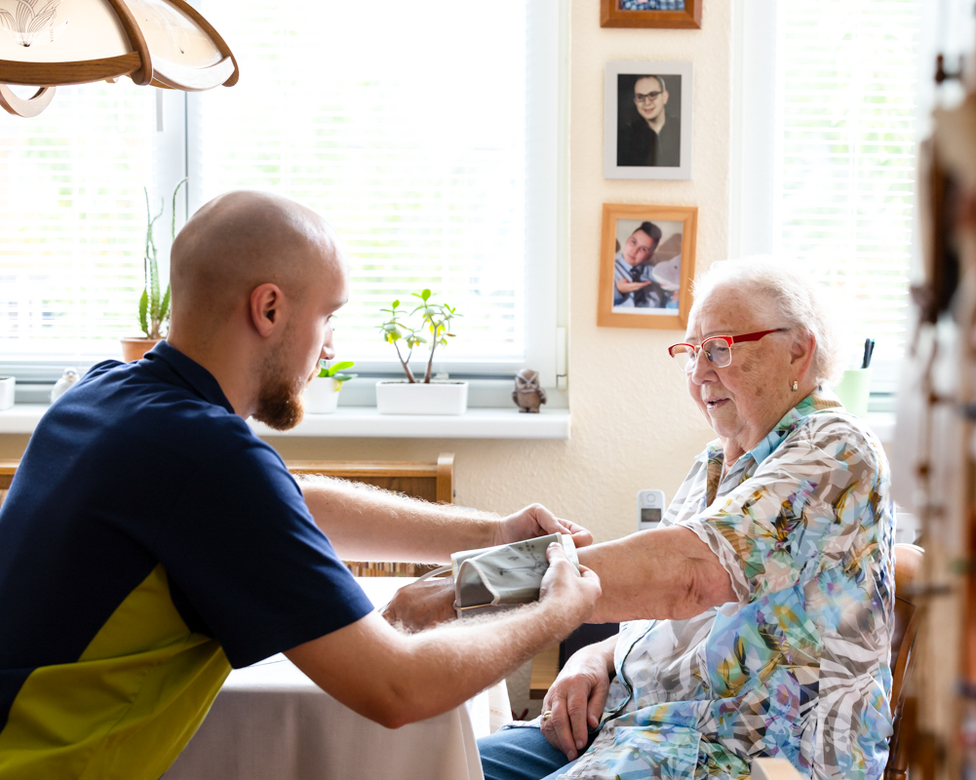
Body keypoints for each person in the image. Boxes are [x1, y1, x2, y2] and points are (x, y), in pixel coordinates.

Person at [0, 191, 600, 780]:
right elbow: (398, 688)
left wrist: (495, 532)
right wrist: (556, 613)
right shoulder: (210, 461)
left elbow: (293, 501)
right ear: (269, 309)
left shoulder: (103, 395)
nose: (332, 345)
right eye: (328, 316)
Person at [388, 257, 896, 779]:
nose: (700, 373)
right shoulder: (721, 461)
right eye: (692, 352)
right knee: (419, 768)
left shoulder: (835, 452)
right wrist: (597, 658)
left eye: (720, 349)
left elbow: (686, 576)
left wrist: (472, 587)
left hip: (757, 757)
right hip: (640, 727)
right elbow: (670, 619)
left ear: (797, 350)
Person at [617, 74, 681, 168]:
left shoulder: (681, 128)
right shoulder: (625, 136)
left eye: (653, 95)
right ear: (635, 102)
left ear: (664, 97)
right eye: (640, 97)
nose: (647, 102)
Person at [613, 221, 668, 309]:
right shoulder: (608, 268)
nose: (634, 251)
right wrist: (618, 291)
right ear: (627, 240)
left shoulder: (656, 274)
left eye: (643, 249)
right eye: (633, 242)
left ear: (649, 255)